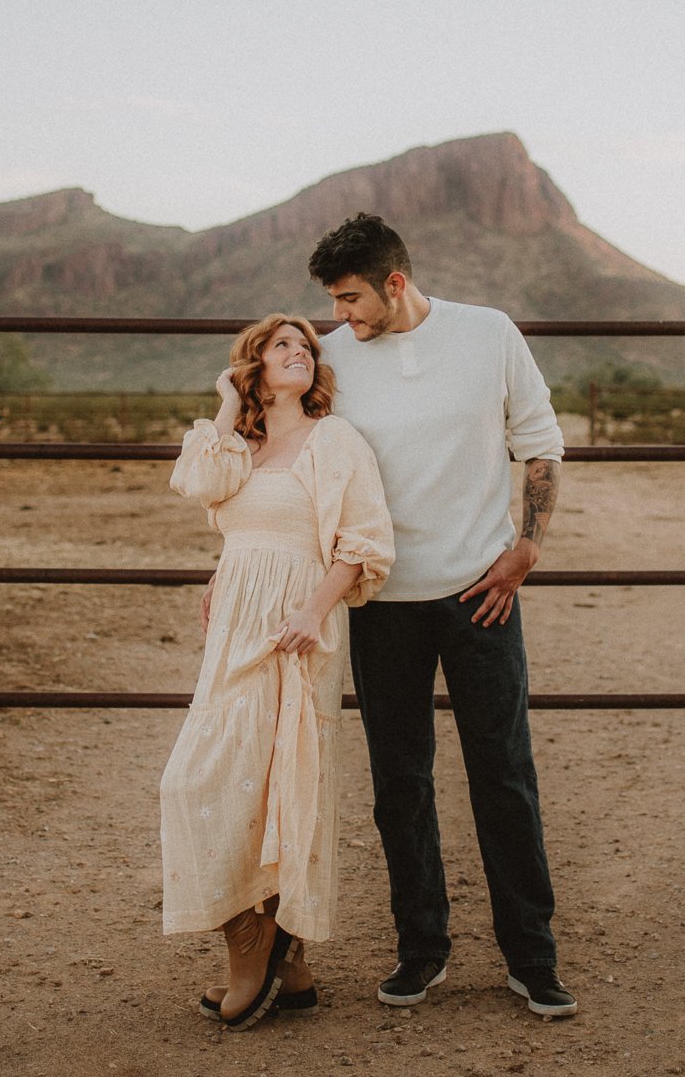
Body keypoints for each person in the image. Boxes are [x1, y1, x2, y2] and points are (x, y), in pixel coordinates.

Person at [307, 213, 578, 1018]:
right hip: (381, 598)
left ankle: (532, 955)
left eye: (351, 298)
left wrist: (527, 545)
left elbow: (540, 440)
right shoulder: (329, 359)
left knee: (504, 773)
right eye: (332, 302)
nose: (341, 316)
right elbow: (296, 454)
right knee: (400, 781)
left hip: (479, 590)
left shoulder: (489, 334)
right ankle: (421, 950)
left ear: (395, 282)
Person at [159, 313, 394, 1030]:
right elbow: (197, 481)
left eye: (306, 347)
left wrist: (312, 612)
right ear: (253, 365)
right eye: (280, 346)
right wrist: (229, 404)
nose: (298, 353)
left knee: (280, 773)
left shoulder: (336, 439)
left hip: (298, 626)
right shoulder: (241, 445)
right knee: (204, 774)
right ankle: (282, 959)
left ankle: (258, 939)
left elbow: (361, 541)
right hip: (235, 623)